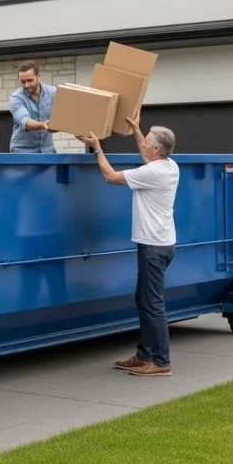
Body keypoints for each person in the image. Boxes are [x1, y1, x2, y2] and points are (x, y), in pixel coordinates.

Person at [77, 115, 180, 377]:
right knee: (144, 301)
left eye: (147, 140)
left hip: (153, 247)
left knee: (152, 304)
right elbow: (147, 156)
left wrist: (97, 149)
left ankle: (160, 361)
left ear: (156, 148)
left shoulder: (153, 172)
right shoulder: (169, 165)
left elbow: (111, 177)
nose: (143, 143)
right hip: (162, 244)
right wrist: (135, 129)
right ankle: (144, 355)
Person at [9, 60, 58, 153]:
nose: (26, 85)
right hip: (23, 153)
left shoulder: (53, 93)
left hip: (47, 151)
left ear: (39, 76)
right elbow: (26, 122)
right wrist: (43, 125)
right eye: (23, 82)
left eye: (30, 80)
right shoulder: (16, 98)